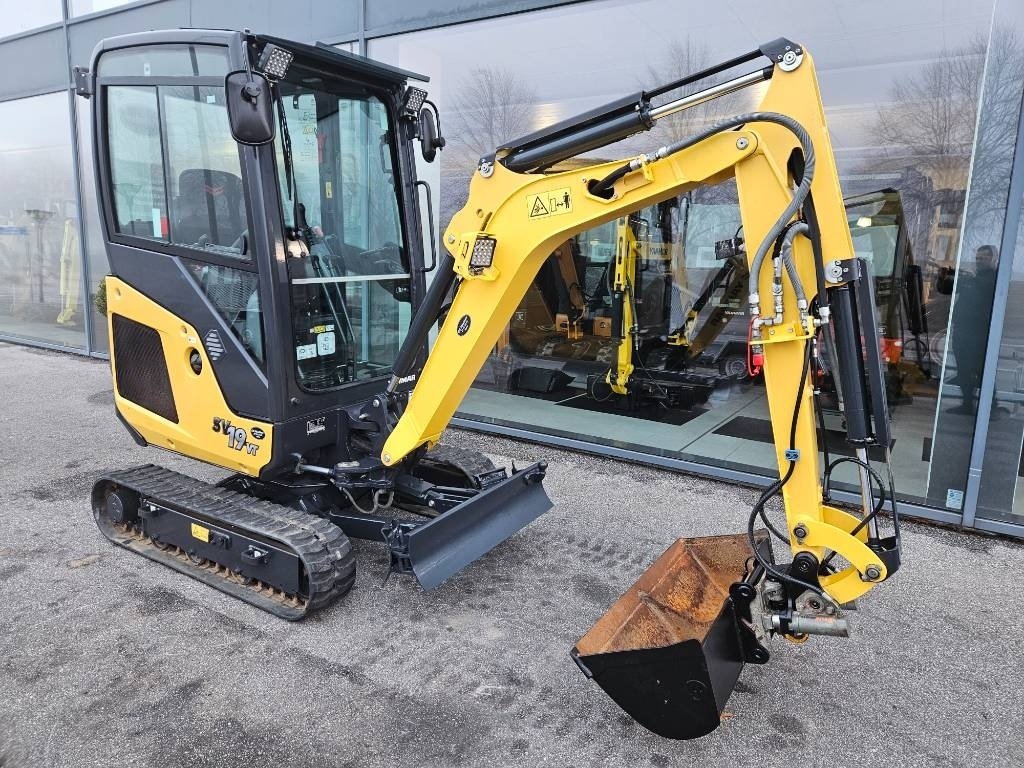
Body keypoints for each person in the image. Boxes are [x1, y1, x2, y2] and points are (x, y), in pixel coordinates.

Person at [947, 244, 998, 415]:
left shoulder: (993, 279)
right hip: (963, 329)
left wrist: (965, 277)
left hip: (978, 332)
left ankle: (991, 406)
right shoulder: (974, 279)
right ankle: (967, 403)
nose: (979, 261)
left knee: (981, 369)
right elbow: (948, 290)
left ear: (993, 259)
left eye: (983, 258)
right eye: (977, 258)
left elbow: (984, 287)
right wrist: (947, 277)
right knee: (963, 368)